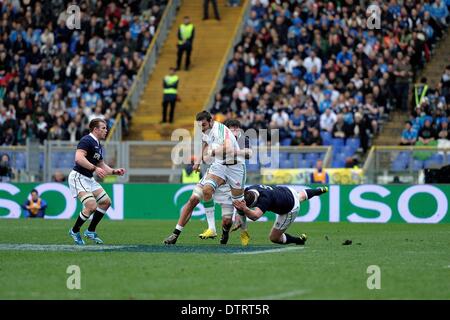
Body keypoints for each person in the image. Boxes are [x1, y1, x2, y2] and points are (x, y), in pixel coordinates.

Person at [163, 111, 246, 245]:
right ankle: (177, 233)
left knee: (228, 218)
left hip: (234, 170)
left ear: (211, 121)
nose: (202, 128)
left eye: (204, 125)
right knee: (195, 198)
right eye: (200, 126)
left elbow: (230, 149)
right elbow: (204, 142)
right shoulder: (205, 130)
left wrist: (214, 152)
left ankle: (235, 232)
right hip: (218, 167)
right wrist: (198, 161)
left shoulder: (224, 132)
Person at [67, 118, 126, 245]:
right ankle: (74, 230)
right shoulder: (86, 140)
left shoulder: (98, 145)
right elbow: (78, 158)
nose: (106, 130)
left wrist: (115, 171)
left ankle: (90, 230)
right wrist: (94, 168)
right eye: (103, 128)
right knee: (91, 206)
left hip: (88, 178)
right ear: (95, 129)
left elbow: (102, 165)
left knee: (106, 202)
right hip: (78, 177)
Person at [198, 119, 253, 245]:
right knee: (207, 189)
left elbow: (249, 154)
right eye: (232, 128)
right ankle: (212, 228)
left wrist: (232, 152)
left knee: (238, 205)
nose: (235, 130)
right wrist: (204, 157)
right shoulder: (219, 137)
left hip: (237, 170)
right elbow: (207, 152)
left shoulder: (242, 139)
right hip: (221, 169)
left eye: (236, 128)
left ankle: (244, 231)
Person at [233, 184, 328, 245]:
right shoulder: (250, 189)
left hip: (290, 209)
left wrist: (244, 209)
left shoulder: (264, 199)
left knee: (274, 238)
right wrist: (240, 213)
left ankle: (298, 240)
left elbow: (255, 216)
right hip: (287, 191)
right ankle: (319, 190)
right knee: (300, 196)